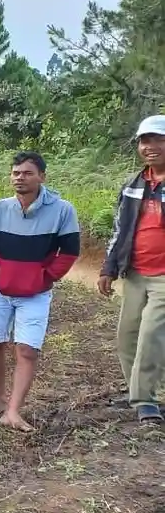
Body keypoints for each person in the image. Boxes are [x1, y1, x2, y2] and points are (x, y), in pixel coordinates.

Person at [0, 151, 81, 432]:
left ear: (42, 177)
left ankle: (13, 410)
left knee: (27, 349)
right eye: (16, 173)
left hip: (35, 293)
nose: (20, 178)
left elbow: (69, 252)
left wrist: (45, 278)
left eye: (27, 173)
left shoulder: (62, 210)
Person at [99, 115, 165, 424]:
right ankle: (137, 391)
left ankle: (144, 401)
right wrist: (108, 268)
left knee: (151, 334)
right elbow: (119, 230)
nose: (151, 147)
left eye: (158, 140)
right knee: (127, 336)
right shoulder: (133, 185)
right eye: (145, 141)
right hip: (136, 272)